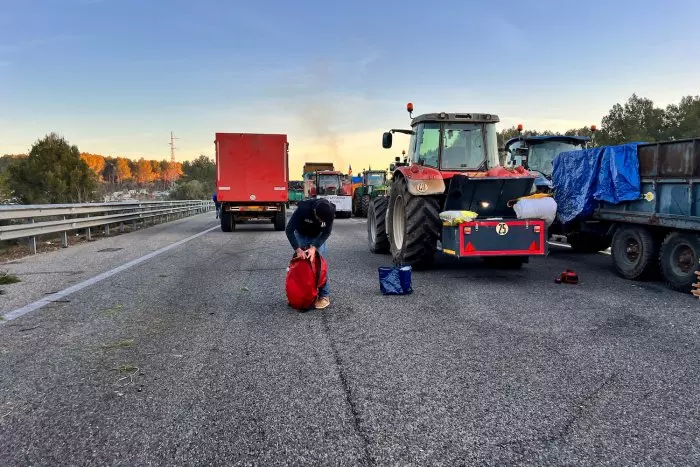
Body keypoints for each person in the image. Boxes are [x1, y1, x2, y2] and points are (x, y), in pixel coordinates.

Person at [285, 198, 335, 309]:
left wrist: (314, 247)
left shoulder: (329, 212)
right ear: (315, 212)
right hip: (301, 234)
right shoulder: (303, 209)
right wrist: (298, 250)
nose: (321, 221)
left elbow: (327, 232)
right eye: (319, 219)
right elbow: (289, 230)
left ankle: (324, 296)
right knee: (301, 264)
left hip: (317, 236)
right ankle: (300, 294)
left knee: (319, 265)